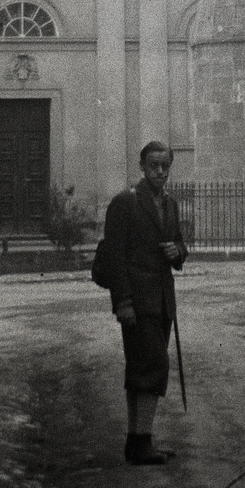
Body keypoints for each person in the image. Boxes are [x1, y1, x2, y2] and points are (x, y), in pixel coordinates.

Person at [101, 141, 188, 465]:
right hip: (137, 303)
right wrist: (122, 302)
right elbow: (114, 257)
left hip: (163, 301)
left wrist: (176, 252)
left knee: (143, 369)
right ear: (141, 166)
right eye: (154, 165)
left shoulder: (170, 204)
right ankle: (142, 441)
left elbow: (180, 243)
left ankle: (137, 442)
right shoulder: (125, 203)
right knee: (151, 368)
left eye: (165, 166)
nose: (160, 172)